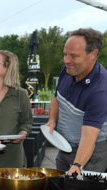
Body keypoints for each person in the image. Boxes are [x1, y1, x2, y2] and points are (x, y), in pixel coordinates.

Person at [46, 28, 107, 175]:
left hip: (90, 153)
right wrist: (52, 120)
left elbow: (89, 136)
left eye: (73, 56)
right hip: (64, 146)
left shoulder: (100, 90)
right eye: (65, 54)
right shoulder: (68, 70)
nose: (66, 60)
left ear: (93, 54)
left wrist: (78, 165)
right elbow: (57, 97)